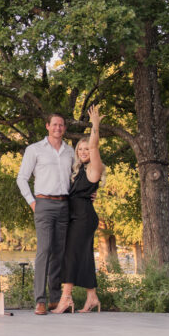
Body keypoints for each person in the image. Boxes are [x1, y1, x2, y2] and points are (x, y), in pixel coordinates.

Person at [16, 112, 74, 315]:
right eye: (55, 124)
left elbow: (76, 177)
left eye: (62, 125)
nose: (58, 128)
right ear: (47, 126)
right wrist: (32, 202)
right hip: (43, 203)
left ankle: (55, 299)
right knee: (45, 250)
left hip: (64, 204)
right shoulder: (35, 150)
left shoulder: (70, 151)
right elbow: (21, 178)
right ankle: (40, 300)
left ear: (64, 128)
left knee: (60, 252)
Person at [52, 105, 105, 314]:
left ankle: (66, 298)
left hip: (83, 218)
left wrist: (95, 126)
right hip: (77, 216)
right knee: (83, 256)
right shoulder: (79, 170)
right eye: (80, 150)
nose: (84, 152)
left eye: (86, 149)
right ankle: (92, 297)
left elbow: (94, 148)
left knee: (71, 255)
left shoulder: (95, 166)